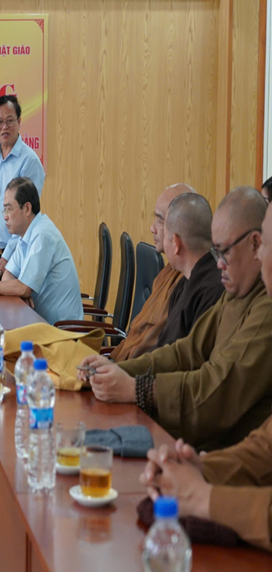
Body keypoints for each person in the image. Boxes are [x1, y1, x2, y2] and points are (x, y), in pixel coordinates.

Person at [78, 187, 272, 451]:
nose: (219, 264)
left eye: (224, 251)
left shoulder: (264, 307)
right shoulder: (236, 291)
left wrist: (137, 389)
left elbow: (220, 389)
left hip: (217, 452)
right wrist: (118, 370)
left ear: (256, 245)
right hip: (193, 443)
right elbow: (186, 352)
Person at [137, 204, 272, 551]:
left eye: (266, 246)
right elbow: (265, 449)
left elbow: (218, 387)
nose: (261, 258)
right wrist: (200, 468)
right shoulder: (237, 294)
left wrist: (203, 498)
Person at [0, 177, 82, 324]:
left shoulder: (42, 235)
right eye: (4, 210)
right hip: (39, 322)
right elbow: (8, 274)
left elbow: (24, 288)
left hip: (62, 330)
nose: (5, 217)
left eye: (9, 209)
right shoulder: (24, 235)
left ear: (27, 208)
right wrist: (20, 292)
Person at [110, 183, 196, 361]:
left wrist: (113, 368)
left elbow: (154, 345)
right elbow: (137, 330)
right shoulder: (169, 270)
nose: (152, 228)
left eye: (159, 220)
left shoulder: (187, 282)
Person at [0, 95, 45, 279]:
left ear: (19, 122)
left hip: (16, 256)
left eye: (10, 121)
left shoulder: (29, 161)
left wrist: (7, 256)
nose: (4, 127)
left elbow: (27, 218)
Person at [156, 193, 224, 347]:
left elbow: (192, 356)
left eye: (165, 236)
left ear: (176, 243)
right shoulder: (183, 283)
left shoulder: (213, 293)